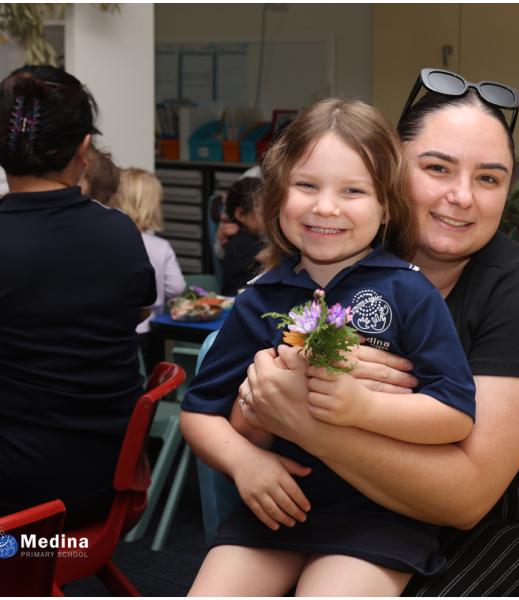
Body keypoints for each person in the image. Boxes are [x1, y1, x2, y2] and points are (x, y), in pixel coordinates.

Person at [226, 69, 519, 596]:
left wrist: (303, 418)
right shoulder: (335, 251)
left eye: (489, 178)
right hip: (347, 502)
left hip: (498, 518)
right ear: (388, 170)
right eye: (438, 168)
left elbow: (465, 500)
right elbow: (240, 407)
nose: (462, 196)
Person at [181, 98, 477, 596]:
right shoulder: (260, 297)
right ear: (277, 197)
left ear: (387, 206)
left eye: (353, 190)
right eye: (306, 185)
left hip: (379, 517)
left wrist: (362, 407)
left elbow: (454, 415)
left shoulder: (410, 293)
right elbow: (199, 412)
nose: (325, 207)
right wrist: (244, 461)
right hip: (276, 509)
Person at [0, 66, 156, 526]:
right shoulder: (119, 230)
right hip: (106, 489)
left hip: (18, 512)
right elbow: (140, 307)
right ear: (84, 149)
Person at [109, 168, 185, 369]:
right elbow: (176, 287)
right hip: (149, 330)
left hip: (115, 330)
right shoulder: (159, 246)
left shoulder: (107, 241)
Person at [220, 176, 264, 295]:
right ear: (241, 214)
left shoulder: (253, 239)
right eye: (262, 208)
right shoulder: (242, 243)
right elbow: (274, 258)